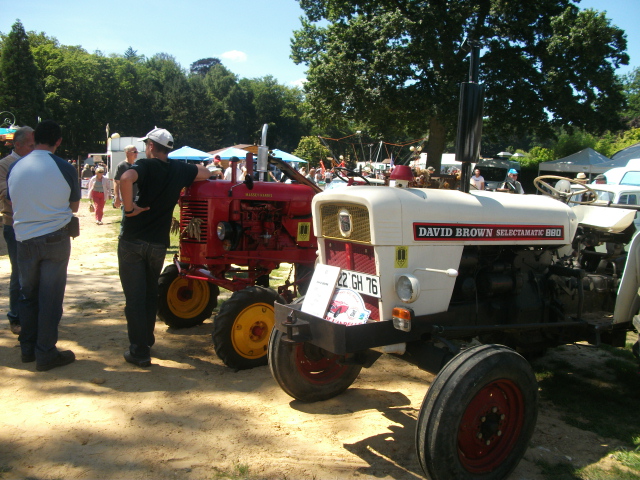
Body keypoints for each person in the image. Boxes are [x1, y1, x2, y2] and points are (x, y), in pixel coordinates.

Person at [118, 127, 210, 368]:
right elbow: (206, 171)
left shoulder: (145, 166)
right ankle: (146, 340)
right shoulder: (179, 169)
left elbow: (126, 179)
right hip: (158, 242)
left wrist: (129, 209)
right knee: (149, 292)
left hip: (133, 239)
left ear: (150, 147)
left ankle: (139, 350)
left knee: (135, 297)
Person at [7, 120, 80, 371]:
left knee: (28, 295)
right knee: (50, 298)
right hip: (55, 237)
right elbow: (74, 207)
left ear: (35, 137)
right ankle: (46, 352)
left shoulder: (15, 167)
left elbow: (12, 199)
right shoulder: (64, 167)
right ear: (58, 141)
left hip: (24, 238)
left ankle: (27, 349)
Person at [0, 126, 35, 335]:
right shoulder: (5, 165)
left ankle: (30, 316)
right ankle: (16, 317)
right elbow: (5, 194)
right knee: (19, 273)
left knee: (34, 273)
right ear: (18, 145)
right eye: (31, 145)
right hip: (14, 226)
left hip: (34, 225)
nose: (34, 149)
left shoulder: (34, 163)